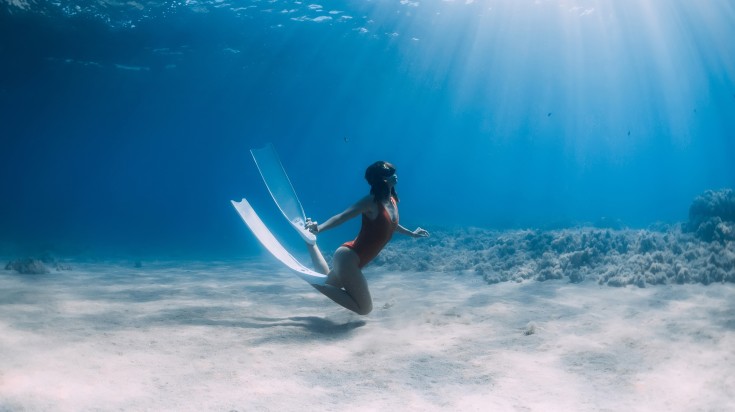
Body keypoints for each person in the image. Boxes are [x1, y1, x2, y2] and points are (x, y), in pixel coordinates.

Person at [304, 161, 429, 315]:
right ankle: (312, 281)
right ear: (381, 179)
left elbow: (391, 225)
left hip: (349, 258)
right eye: (389, 174)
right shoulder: (371, 202)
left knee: (327, 282)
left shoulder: (392, 200)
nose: (394, 176)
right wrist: (319, 229)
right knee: (365, 309)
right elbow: (342, 217)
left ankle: (310, 242)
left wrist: (412, 234)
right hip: (348, 259)